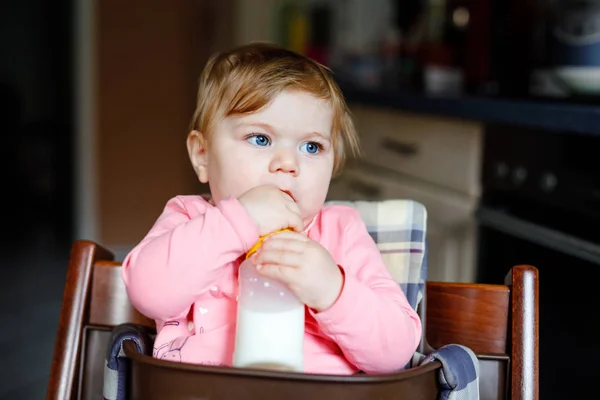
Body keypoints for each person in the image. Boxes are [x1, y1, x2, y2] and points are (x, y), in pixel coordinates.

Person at [122, 42, 421, 375]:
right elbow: (148, 293)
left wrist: (332, 289)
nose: (288, 164)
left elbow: (396, 352)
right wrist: (238, 221)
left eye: (312, 146)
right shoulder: (190, 218)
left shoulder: (340, 231)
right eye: (260, 139)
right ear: (202, 155)